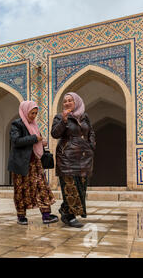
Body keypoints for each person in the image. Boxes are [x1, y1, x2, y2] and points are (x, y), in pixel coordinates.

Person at [7, 101, 58, 225]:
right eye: (31, 113)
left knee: (42, 188)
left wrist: (41, 142)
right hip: (21, 163)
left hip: (35, 163)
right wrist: (35, 139)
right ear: (25, 111)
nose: (34, 116)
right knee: (21, 190)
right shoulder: (17, 124)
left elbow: (36, 141)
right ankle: (21, 216)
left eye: (35, 113)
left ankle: (46, 215)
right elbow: (16, 141)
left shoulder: (34, 125)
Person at [51, 92, 96, 228]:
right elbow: (55, 134)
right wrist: (63, 121)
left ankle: (65, 210)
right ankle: (70, 217)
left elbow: (91, 132)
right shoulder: (60, 117)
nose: (67, 103)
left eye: (70, 100)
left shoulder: (84, 116)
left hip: (83, 156)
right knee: (70, 186)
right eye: (65, 101)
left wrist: (91, 145)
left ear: (76, 102)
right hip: (66, 157)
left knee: (81, 187)